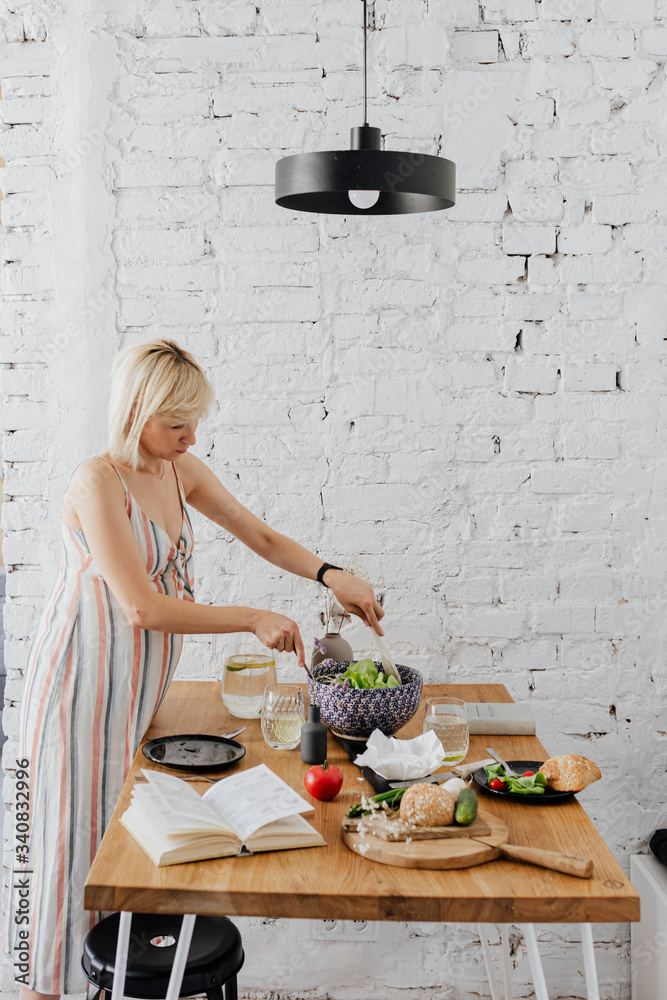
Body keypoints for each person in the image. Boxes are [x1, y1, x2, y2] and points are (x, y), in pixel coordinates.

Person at [2, 339, 384, 999]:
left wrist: (331, 572)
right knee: (65, 856)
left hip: (137, 687)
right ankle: (43, 990)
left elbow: (258, 535)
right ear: (136, 411)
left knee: (119, 846)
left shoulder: (180, 471)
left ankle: (104, 985)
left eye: (195, 421)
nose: (191, 435)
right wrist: (249, 617)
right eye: (176, 422)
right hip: (82, 684)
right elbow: (141, 607)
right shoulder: (98, 480)